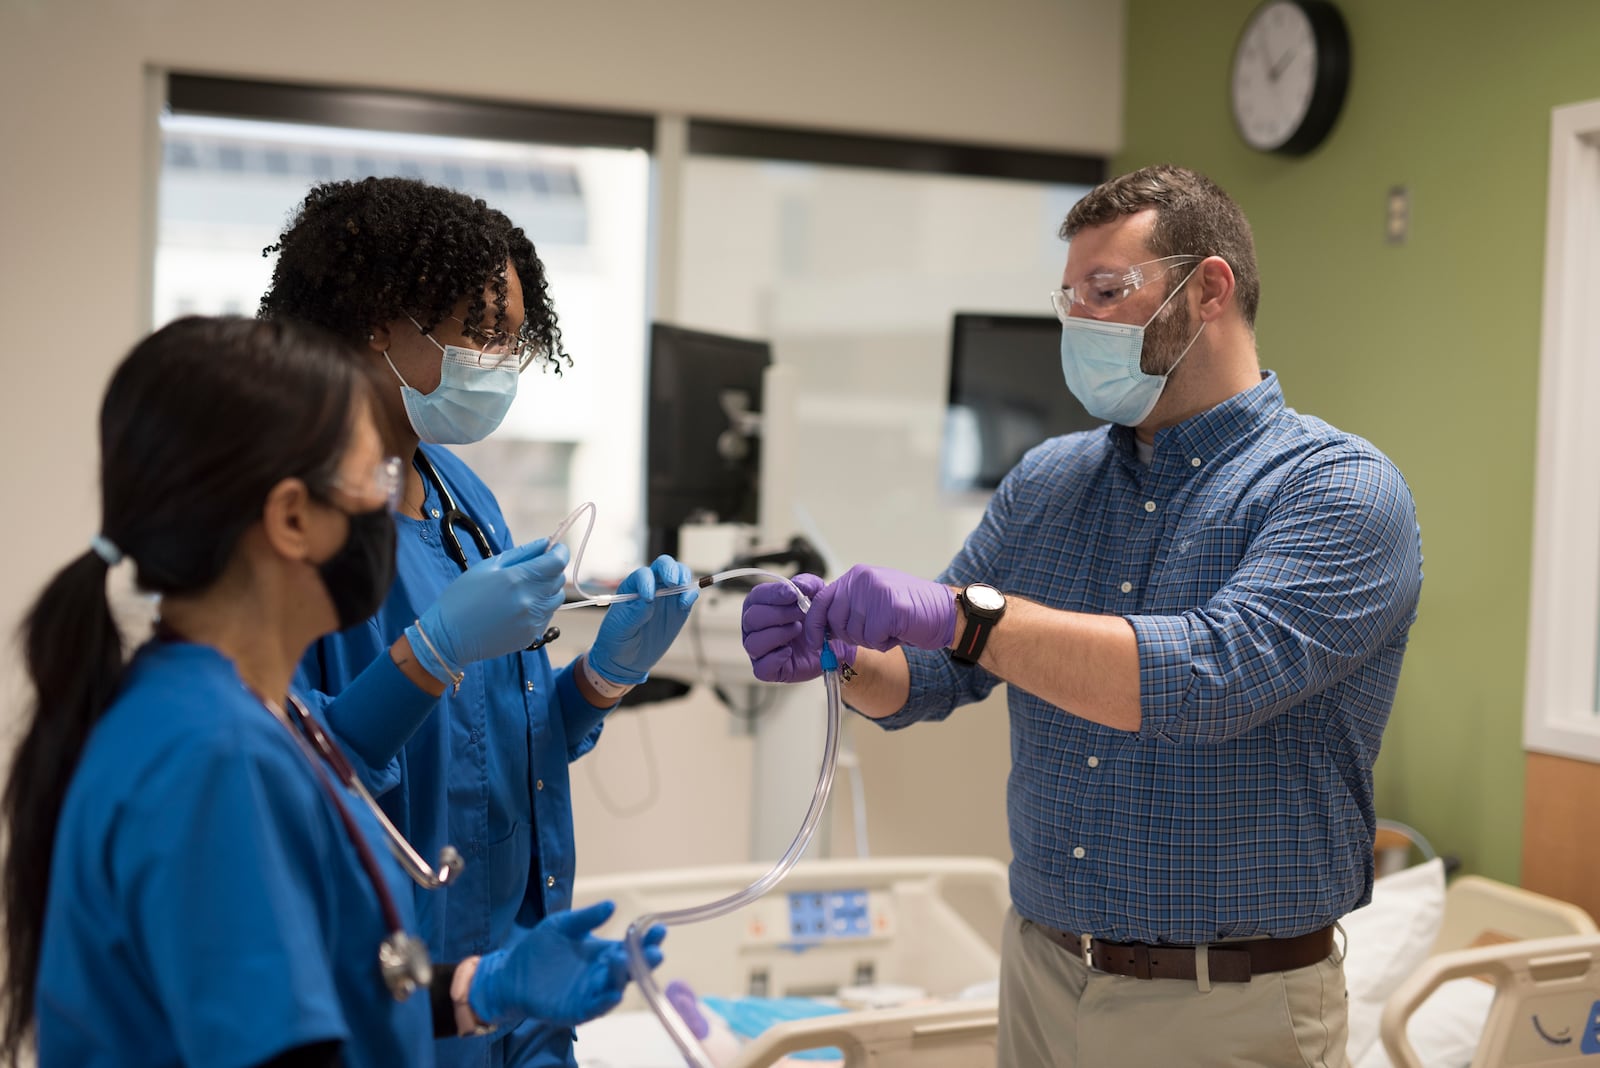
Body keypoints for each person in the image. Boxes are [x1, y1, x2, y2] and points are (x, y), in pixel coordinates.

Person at [740, 165, 1423, 1067]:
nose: (1081, 323)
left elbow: (1204, 679)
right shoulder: (1051, 481)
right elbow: (934, 675)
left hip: (1227, 1001)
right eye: (1070, 299)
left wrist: (962, 616)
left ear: (1208, 289)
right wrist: (837, 656)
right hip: (1042, 973)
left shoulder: (1335, 491)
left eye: (1107, 292)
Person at [0, 316, 665, 1068]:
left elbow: (319, 984)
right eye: (374, 482)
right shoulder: (215, 756)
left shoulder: (250, 713)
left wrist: (479, 990)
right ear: (292, 518)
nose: (396, 509)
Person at [258, 176, 694, 1068]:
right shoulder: (292, 527)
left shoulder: (466, 499)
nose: (502, 359)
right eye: (483, 332)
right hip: (408, 1003)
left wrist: (602, 680)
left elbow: (502, 749)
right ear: (382, 324)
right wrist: (432, 650)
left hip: (520, 995)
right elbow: (303, 779)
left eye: (513, 338)